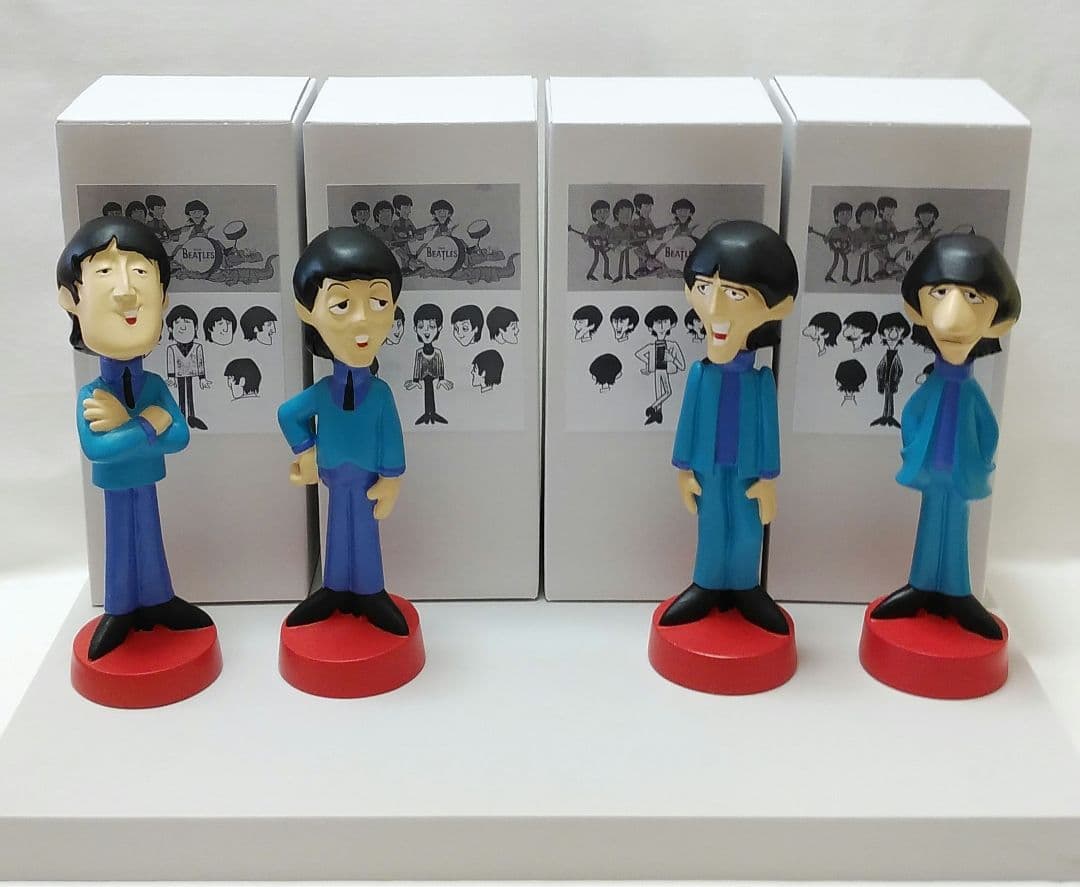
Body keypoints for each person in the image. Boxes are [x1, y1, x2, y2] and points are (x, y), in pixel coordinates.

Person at [57, 216, 211, 660]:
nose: (126, 290)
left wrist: (129, 425)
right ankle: (119, 608)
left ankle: (160, 599)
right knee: (119, 542)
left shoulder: (154, 385)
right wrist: (145, 424)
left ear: (162, 299)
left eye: (140, 272)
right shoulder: (93, 394)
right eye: (105, 271)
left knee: (149, 537)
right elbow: (96, 449)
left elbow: (179, 436)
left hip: (145, 477)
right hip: (118, 482)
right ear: (70, 300)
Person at [869, 234, 1019, 639]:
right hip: (932, 470)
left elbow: (987, 427)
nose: (953, 318)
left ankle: (956, 591)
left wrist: (981, 461)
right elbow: (914, 415)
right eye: (939, 293)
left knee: (956, 528)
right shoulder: (933, 388)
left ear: (998, 319)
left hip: (960, 474)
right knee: (930, 524)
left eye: (973, 297)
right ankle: (921, 585)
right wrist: (912, 449)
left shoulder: (970, 393)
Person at [661, 220, 798, 635]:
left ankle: (745, 587)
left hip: (747, 473)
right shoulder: (700, 376)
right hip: (707, 468)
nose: (716, 307)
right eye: (705, 288)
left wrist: (769, 479)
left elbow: (769, 433)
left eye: (735, 293)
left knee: (747, 529)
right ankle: (706, 585)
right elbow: (687, 424)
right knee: (711, 526)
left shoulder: (760, 382)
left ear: (777, 306)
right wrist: (683, 470)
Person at [277, 227, 409, 634]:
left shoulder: (380, 394)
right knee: (336, 533)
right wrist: (306, 449)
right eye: (341, 304)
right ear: (307, 312)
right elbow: (288, 414)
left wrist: (391, 479)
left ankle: (370, 592)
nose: (362, 320)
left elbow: (392, 437)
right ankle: (334, 588)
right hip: (334, 476)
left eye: (378, 301)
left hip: (368, 478)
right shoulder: (321, 392)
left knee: (365, 535)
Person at [635, 305, 685, 425]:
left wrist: (672, 359)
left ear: (672, 324)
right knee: (659, 393)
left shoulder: (672, 346)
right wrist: (649, 363)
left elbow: (682, 366)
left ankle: (652, 407)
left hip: (664, 370)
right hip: (658, 371)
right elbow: (639, 354)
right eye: (658, 323)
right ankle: (658, 414)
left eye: (665, 322)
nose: (662, 326)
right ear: (651, 327)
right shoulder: (651, 347)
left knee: (668, 392)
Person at [405, 303, 453, 424]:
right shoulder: (419, 352)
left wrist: (441, 379)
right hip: (424, 378)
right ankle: (428, 414)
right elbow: (417, 367)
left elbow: (440, 365)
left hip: (433, 378)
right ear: (415, 329)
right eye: (421, 326)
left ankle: (431, 414)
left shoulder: (437, 352)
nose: (426, 331)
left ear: (439, 328)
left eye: (431, 326)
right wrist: (415, 380)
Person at [164, 304, 210, 430]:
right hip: (179, 375)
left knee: (190, 395)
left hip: (191, 374)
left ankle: (191, 416)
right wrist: (171, 377)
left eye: (187, 322)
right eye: (178, 323)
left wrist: (202, 378)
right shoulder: (172, 349)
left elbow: (200, 362)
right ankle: (182, 416)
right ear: (170, 329)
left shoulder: (197, 347)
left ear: (195, 327)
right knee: (181, 395)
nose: (183, 327)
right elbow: (170, 363)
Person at [870, 312, 910, 428]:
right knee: (887, 398)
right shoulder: (885, 356)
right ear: (882, 335)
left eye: (898, 329)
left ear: (902, 335)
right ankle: (886, 415)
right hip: (885, 381)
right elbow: (879, 369)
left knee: (889, 398)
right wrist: (880, 381)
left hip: (891, 382)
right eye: (889, 329)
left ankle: (889, 415)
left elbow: (899, 370)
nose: (893, 333)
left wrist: (895, 382)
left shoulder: (896, 357)